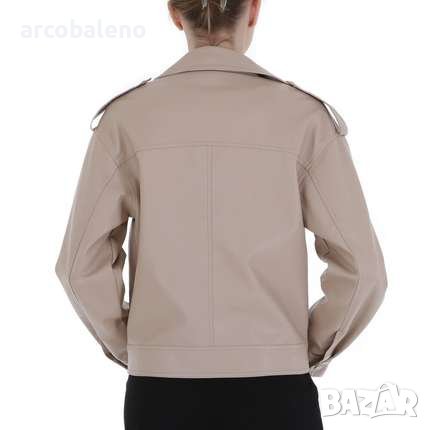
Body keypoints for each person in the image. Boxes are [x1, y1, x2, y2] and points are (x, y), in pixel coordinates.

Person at [54, 0, 388, 428]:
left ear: (175, 13)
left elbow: (78, 267)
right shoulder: (305, 118)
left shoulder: (125, 118)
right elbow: (363, 272)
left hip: (161, 391)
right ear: (254, 9)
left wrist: (141, 348)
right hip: (276, 387)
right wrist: (300, 349)